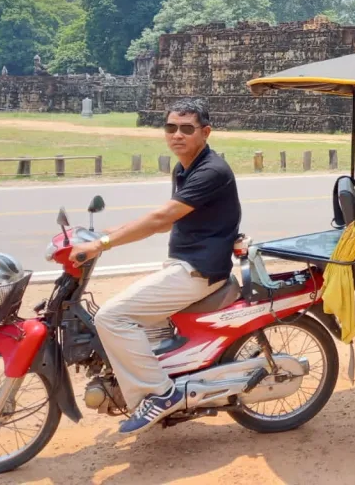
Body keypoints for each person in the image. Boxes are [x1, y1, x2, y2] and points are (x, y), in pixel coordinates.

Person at [73, 98, 242, 434]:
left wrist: (101, 245)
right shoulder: (184, 168)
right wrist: (113, 232)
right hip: (183, 263)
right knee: (135, 317)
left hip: (198, 271)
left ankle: (161, 394)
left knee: (111, 316)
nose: (176, 135)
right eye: (170, 128)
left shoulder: (211, 171)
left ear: (205, 133)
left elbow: (162, 218)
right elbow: (167, 221)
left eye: (186, 129)